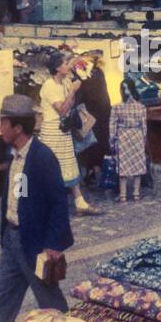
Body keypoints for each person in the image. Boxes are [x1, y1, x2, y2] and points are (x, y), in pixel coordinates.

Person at [0, 94, 74, 322]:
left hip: (35, 243)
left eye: (4, 123)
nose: (0, 128)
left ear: (18, 128)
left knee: (50, 301)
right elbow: (19, 195)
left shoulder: (42, 157)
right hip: (13, 238)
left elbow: (58, 202)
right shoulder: (15, 156)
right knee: (1, 298)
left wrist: (53, 243)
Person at [38, 50, 100, 216]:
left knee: (69, 165)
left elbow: (70, 105)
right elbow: (62, 109)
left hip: (63, 130)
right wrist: (72, 90)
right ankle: (50, 204)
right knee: (53, 167)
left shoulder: (63, 82)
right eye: (65, 64)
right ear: (58, 68)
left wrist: (75, 76)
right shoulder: (49, 86)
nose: (68, 66)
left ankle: (80, 202)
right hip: (53, 131)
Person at [75, 51, 111, 184]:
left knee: (92, 145)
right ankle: (98, 172)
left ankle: (95, 172)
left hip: (93, 117)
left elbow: (84, 96)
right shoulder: (98, 73)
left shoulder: (91, 76)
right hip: (102, 115)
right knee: (100, 144)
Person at [111, 78, 149, 203]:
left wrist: (111, 141)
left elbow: (112, 126)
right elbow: (144, 126)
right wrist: (143, 139)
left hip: (123, 137)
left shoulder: (116, 107)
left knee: (123, 168)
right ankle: (136, 193)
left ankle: (123, 195)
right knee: (137, 166)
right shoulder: (141, 107)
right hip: (136, 135)